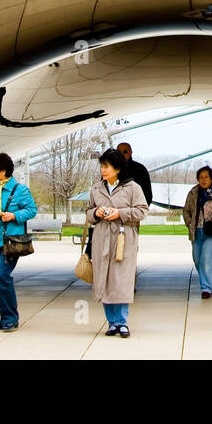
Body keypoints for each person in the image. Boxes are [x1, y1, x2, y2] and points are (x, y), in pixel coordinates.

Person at [85, 149, 148, 337]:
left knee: (120, 279)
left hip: (123, 237)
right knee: (103, 277)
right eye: (102, 166)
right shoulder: (96, 188)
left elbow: (142, 211)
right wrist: (96, 212)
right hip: (101, 236)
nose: (103, 170)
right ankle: (111, 322)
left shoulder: (133, 188)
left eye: (107, 166)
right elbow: (88, 212)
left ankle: (122, 321)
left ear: (117, 168)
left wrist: (120, 213)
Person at [0, 152, 38, 332]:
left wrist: (14, 216)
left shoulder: (20, 190)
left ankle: (11, 317)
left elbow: (31, 210)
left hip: (9, 242)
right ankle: (5, 315)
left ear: (2, 171)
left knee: (2, 277)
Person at [182, 165, 212, 298]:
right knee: (197, 260)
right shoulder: (193, 193)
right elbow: (186, 210)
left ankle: (206, 289)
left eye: (206, 177)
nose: (203, 180)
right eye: (201, 177)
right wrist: (189, 222)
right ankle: (209, 281)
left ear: (211, 178)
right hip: (196, 230)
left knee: (206, 259)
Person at [116, 141, 153, 207]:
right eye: (119, 152)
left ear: (130, 153)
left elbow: (147, 195)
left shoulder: (140, 169)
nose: (121, 155)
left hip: (133, 213)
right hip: (112, 212)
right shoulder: (109, 170)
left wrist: (137, 211)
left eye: (125, 152)